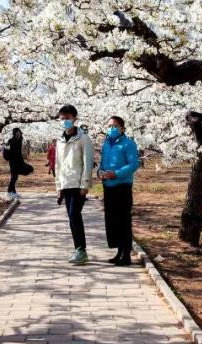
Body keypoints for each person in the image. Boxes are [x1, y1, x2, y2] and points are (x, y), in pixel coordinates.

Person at [54, 103, 95, 265]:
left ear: (75, 119)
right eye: (63, 119)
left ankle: (81, 249)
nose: (65, 121)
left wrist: (85, 183)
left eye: (68, 118)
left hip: (78, 184)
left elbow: (88, 161)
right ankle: (78, 248)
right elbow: (58, 164)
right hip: (66, 183)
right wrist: (58, 186)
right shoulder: (59, 140)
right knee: (72, 218)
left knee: (74, 215)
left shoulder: (83, 138)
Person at [98, 116, 140, 266]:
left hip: (122, 186)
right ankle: (119, 251)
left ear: (122, 128)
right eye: (109, 126)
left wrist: (116, 173)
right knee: (112, 220)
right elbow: (102, 162)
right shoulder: (106, 144)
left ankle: (126, 254)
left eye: (115, 126)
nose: (112, 128)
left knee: (123, 221)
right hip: (108, 185)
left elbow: (134, 164)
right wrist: (100, 172)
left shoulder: (128, 144)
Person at [3, 127, 28, 204]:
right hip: (12, 161)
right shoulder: (11, 141)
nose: (19, 134)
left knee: (15, 176)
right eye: (17, 132)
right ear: (14, 133)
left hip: (18, 161)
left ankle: (13, 192)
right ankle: (9, 192)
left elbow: (19, 153)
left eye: (19, 132)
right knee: (14, 176)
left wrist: (21, 160)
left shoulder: (20, 140)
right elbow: (9, 151)